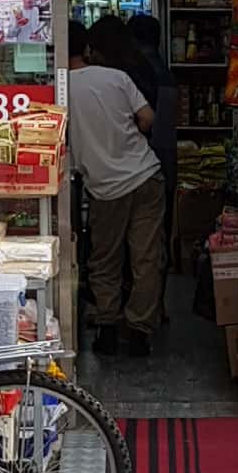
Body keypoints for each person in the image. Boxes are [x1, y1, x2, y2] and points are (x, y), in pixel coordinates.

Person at [68, 19, 164, 357]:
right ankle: (139, 330)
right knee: (146, 258)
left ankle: (107, 326)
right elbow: (148, 118)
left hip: (105, 187)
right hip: (145, 175)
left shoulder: (58, 89)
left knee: (105, 259)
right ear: (87, 48)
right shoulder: (116, 77)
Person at [128, 14, 178, 274]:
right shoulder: (165, 72)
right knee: (160, 220)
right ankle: (163, 262)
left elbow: (143, 121)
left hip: (143, 159)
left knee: (141, 230)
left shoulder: (136, 73)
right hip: (167, 153)